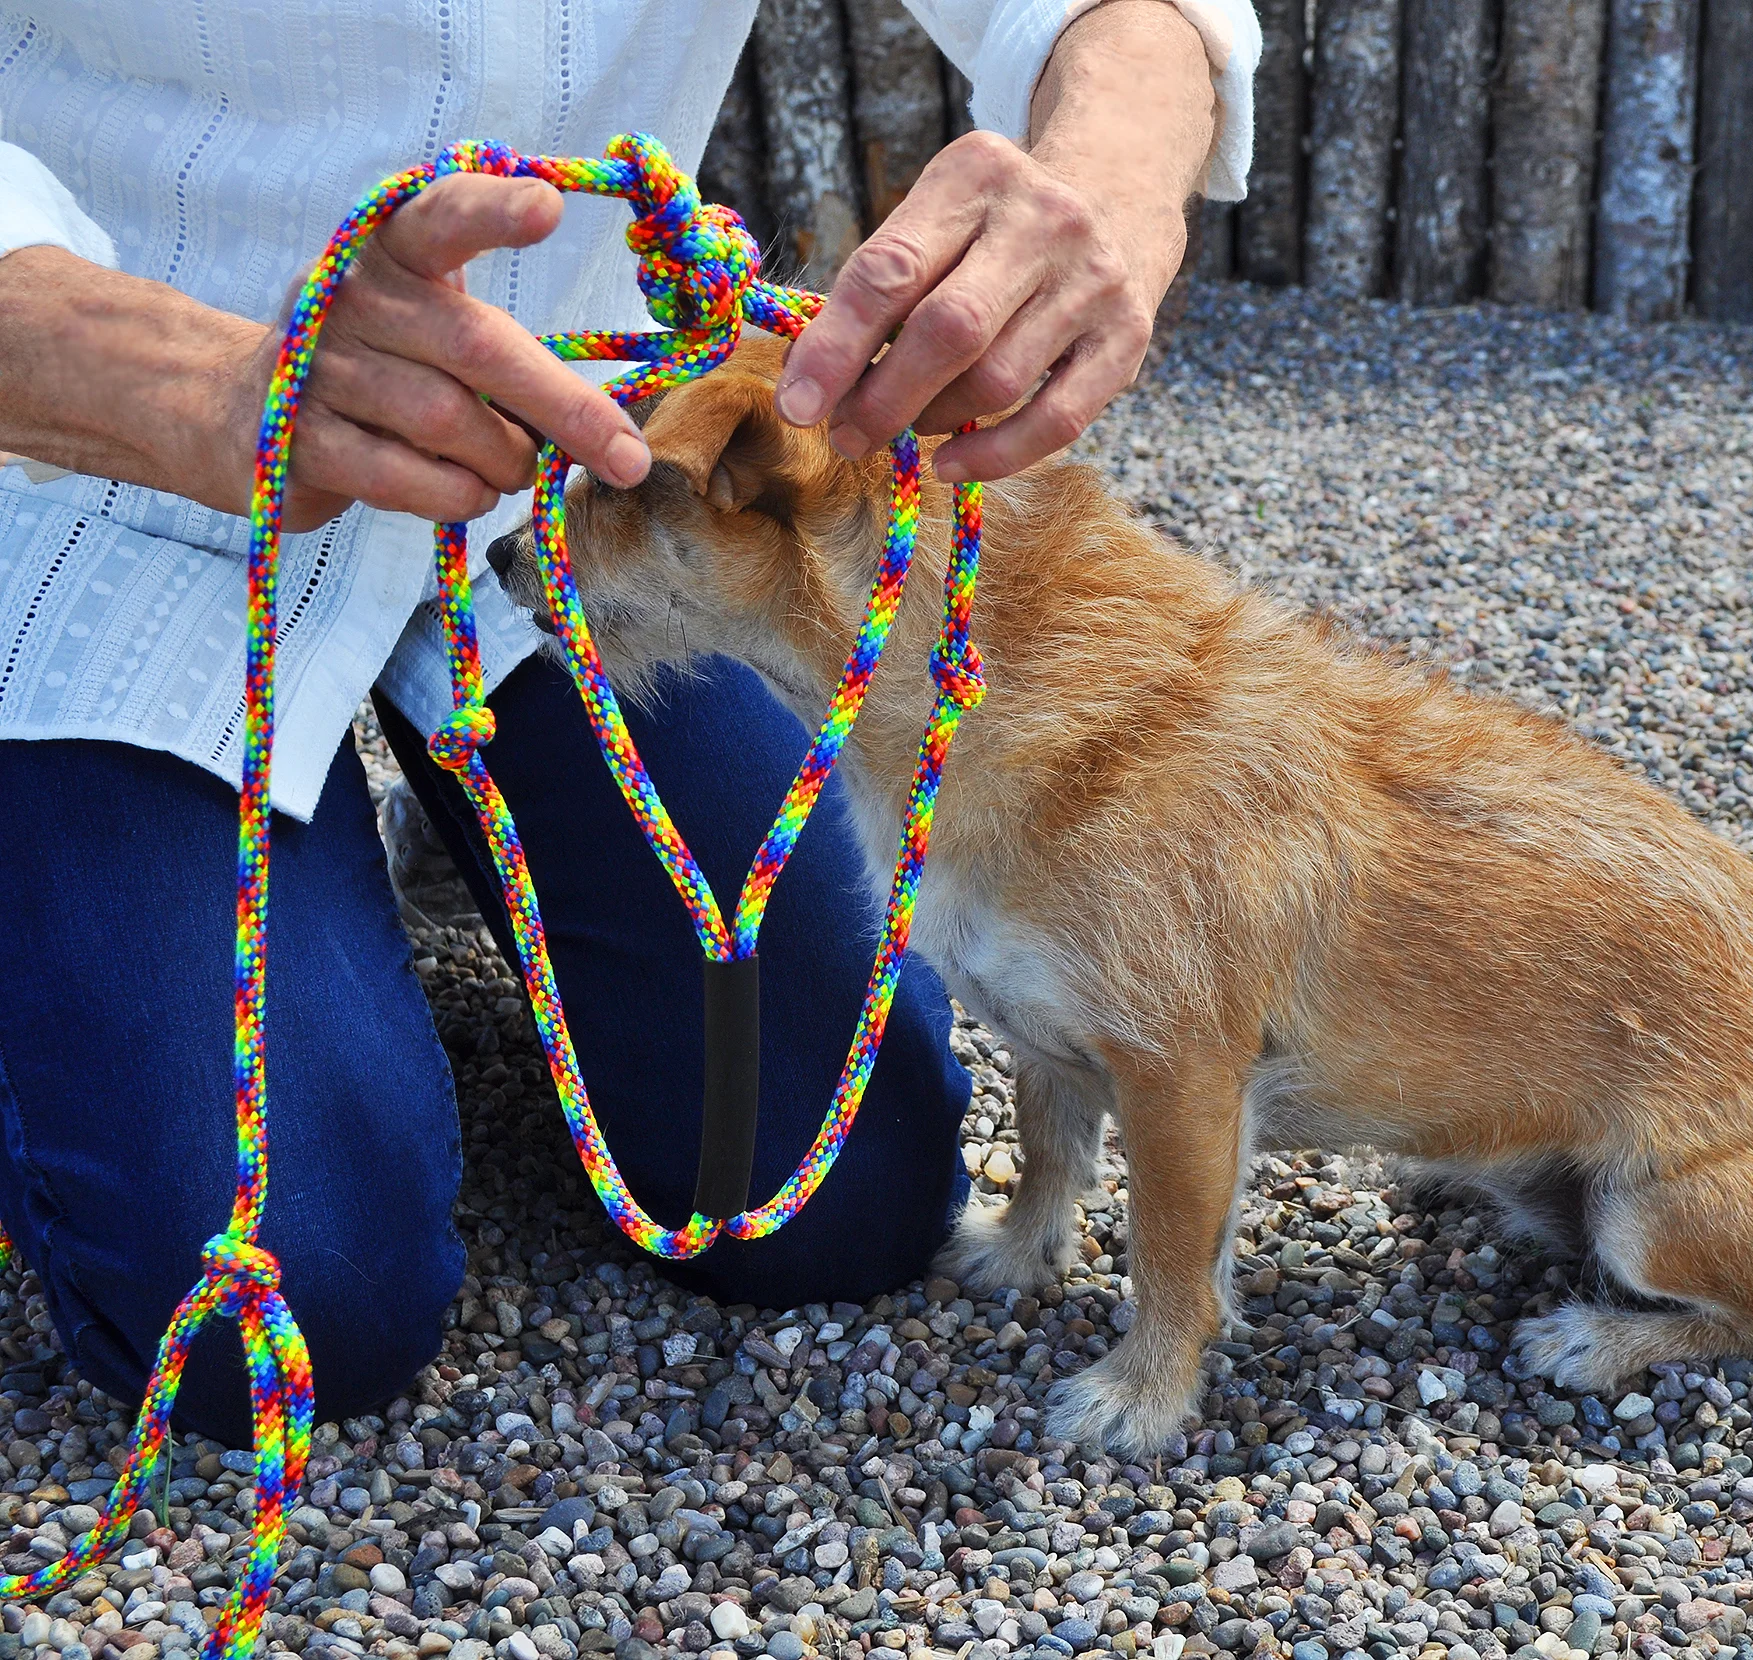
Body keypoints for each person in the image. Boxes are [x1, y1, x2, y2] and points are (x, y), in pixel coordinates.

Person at [0, 0, 1254, 1445]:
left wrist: (1108, 152)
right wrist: (187, 376)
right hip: (87, 478)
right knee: (279, 1316)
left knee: (851, 1190)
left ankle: (420, 828)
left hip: (575, 478)